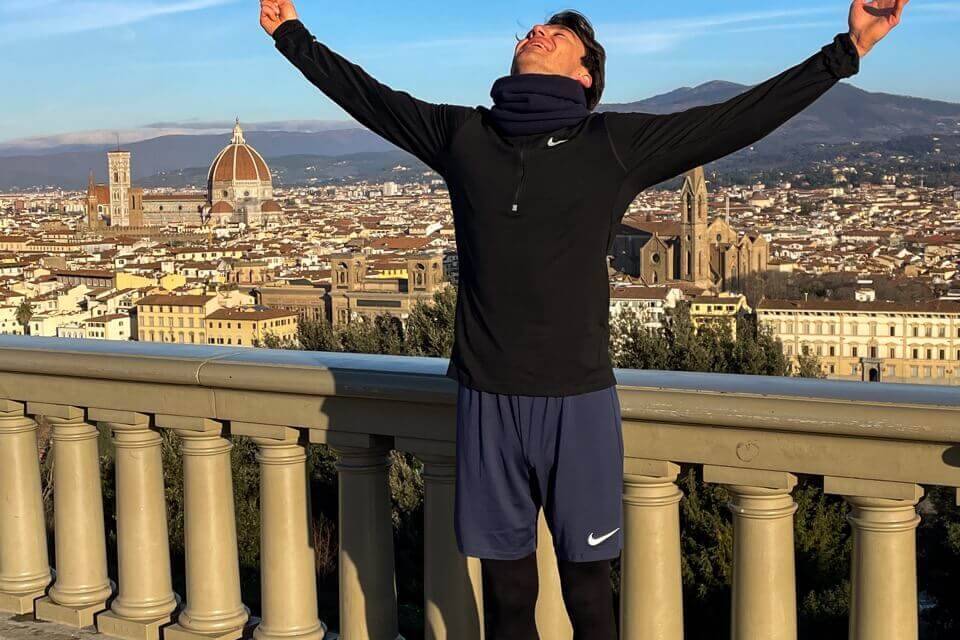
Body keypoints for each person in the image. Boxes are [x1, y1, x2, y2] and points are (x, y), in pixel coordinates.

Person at [259, 1, 907, 637]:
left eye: (559, 33)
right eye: (535, 27)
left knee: (589, 594)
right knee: (509, 598)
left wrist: (844, 52)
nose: (539, 29)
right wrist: (292, 34)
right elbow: (369, 99)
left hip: (579, 401)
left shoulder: (611, 144)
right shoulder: (463, 135)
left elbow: (735, 121)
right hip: (487, 399)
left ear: (585, 75)